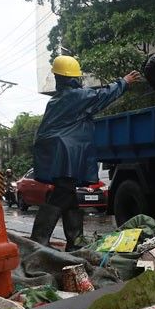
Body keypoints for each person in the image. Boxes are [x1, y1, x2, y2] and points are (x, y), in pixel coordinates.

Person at [31, 55, 142, 249]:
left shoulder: (56, 100)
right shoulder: (76, 96)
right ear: (73, 77)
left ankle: (75, 242)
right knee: (62, 194)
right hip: (66, 153)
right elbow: (103, 95)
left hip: (58, 152)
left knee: (70, 197)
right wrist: (124, 82)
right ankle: (38, 240)